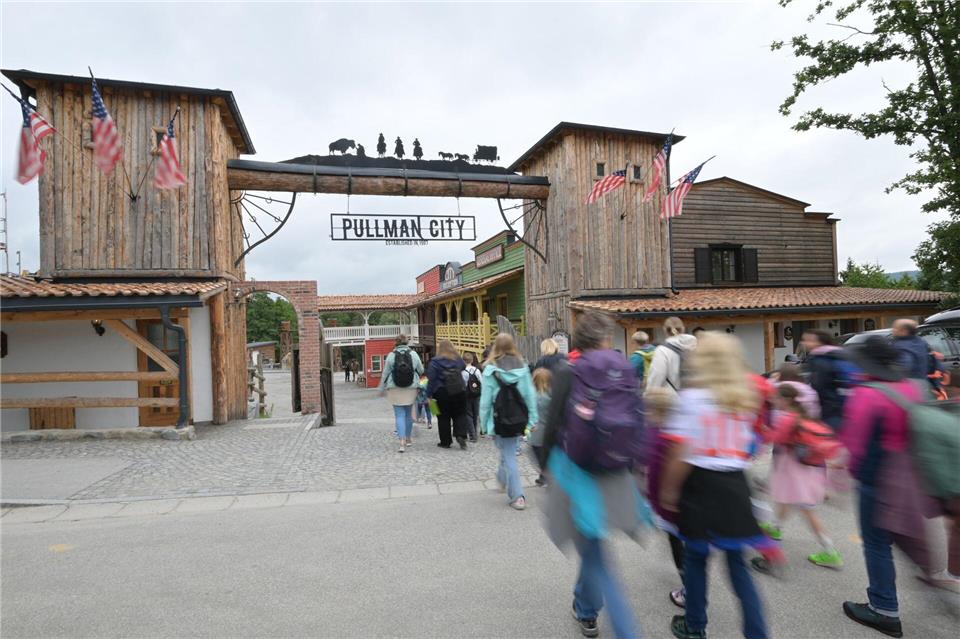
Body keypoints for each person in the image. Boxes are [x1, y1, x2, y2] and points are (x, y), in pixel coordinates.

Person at [539, 311, 648, 639]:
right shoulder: (624, 369)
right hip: (617, 468)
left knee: (597, 555)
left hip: (576, 469)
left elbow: (553, 424)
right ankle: (585, 607)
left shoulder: (567, 372)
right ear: (606, 339)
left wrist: (545, 466)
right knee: (595, 544)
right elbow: (638, 418)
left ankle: (620, 628)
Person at [660, 332, 770, 639]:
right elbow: (749, 446)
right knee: (738, 566)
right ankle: (757, 632)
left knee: (696, 561)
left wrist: (669, 490)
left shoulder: (692, 399)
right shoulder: (745, 399)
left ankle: (695, 625)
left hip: (700, 486)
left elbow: (680, 452)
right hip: (735, 487)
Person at [839, 336, 929, 638]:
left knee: (877, 544)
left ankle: (884, 608)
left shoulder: (865, 395)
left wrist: (848, 475)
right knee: (902, 534)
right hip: (909, 475)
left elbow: (855, 447)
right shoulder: (913, 388)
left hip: (876, 478)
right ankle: (932, 576)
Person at [751, 383, 842, 573]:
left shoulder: (787, 419)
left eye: (776, 398)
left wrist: (762, 433)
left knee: (806, 510)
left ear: (785, 400)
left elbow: (773, 438)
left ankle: (830, 551)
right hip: (805, 470)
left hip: (795, 471)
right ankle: (776, 526)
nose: (773, 401)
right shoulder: (803, 415)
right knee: (786, 499)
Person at [479, 333, 537, 510]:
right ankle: (502, 479)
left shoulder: (490, 369)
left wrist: (483, 424)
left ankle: (518, 496)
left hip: (498, 421)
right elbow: (530, 395)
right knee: (508, 451)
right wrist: (533, 419)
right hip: (519, 419)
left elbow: (485, 401)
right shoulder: (523, 367)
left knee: (509, 455)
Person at [800, 329, 856, 431]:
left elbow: (818, 388)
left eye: (808, 340)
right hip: (845, 410)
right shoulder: (839, 355)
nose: (804, 343)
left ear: (820, 342)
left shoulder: (820, 360)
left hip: (829, 413)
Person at [378, 335, 424, 453]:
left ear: (396, 343)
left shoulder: (391, 355)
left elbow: (385, 373)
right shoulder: (413, 354)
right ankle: (408, 438)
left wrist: (381, 388)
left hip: (394, 387)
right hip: (411, 387)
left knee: (399, 415)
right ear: (407, 342)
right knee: (408, 415)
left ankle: (401, 441)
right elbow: (421, 369)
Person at [427, 340, 469, 450]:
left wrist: (429, 394)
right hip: (458, 390)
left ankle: (445, 441)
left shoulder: (434, 362)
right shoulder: (458, 360)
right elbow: (463, 367)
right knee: (460, 414)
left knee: (443, 417)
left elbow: (431, 379)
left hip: (441, 392)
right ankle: (461, 435)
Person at [645, 317, 697, 397]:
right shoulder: (696, 347)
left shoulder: (662, 351)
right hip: (695, 398)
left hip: (672, 399)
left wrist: (648, 395)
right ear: (683, 328)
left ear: (664, 330)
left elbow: (656, 376)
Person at [529, 367, 552, 487]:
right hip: (549, 430)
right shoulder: (552, 394)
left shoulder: (534, 396)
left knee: (538, 455)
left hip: (537, 432)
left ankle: (545, 476)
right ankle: (544, 476)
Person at [462, 352, 483, 442]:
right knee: (475, 414)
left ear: (463, 361)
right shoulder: (476, 370)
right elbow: (481, 382)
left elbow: (462, 384)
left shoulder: (462, 371)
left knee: (468, 414)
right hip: (477, 395)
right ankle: (475, 432)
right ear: (472, 360)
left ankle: (472, 434)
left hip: (467, 395)